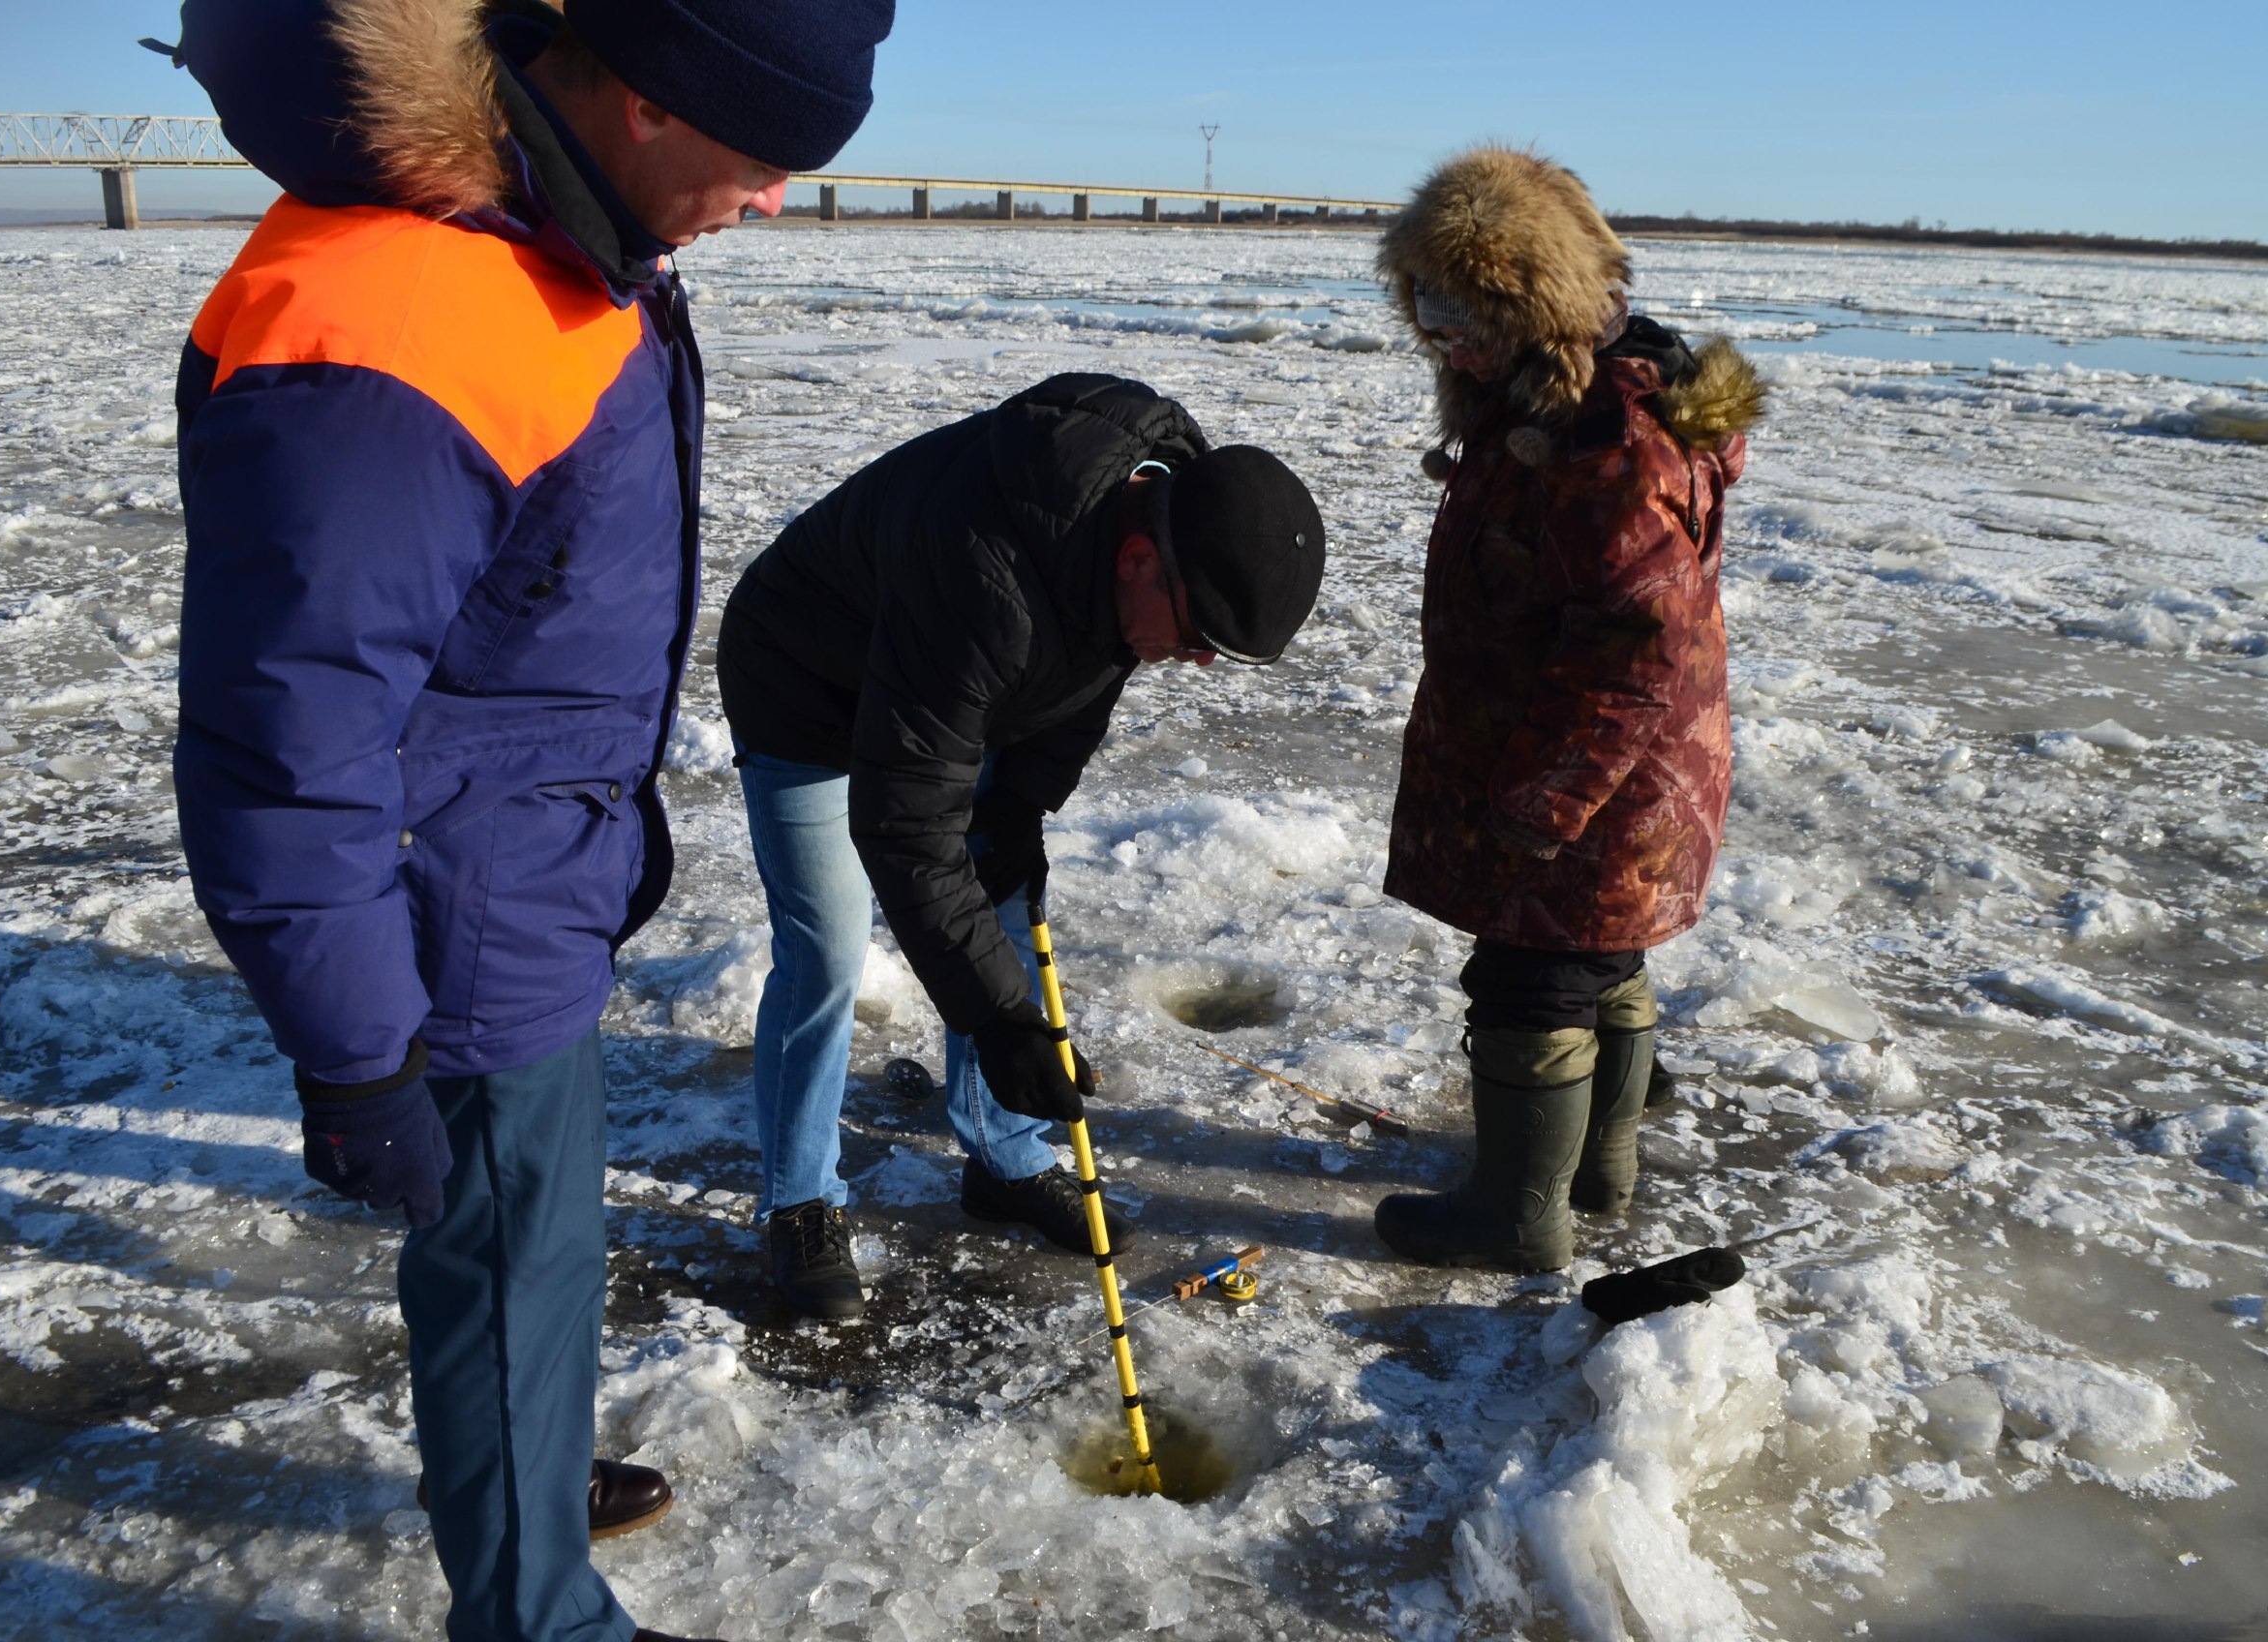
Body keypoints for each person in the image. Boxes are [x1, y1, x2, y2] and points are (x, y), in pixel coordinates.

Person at [169, 1, 890, 1638]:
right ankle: (536, 1609)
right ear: (643, 98)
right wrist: (359, 1052)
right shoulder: (408, 309)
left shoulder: (556, 242)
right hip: (452, 929)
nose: (774, 198)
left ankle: (522, 1483)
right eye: (767, 157)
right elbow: (293, 732)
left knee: (535, 1268)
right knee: (514, 1273)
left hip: (519, 876)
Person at [717, 373, 1328, 1319]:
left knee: (998, 898)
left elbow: (1092, 666)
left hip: (948, 688)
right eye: (1202, 635)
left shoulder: (1166, 504)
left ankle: (1001, 1154)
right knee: (828, 951)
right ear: (1135, 558)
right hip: (804, 687)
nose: (1200, 659)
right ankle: (799, 1201)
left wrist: (1023, 807)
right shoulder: (984, 572)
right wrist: (1004, 1024)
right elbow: (905, 821)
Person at [1369, 146, 1763, 1273]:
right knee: (1606, 957)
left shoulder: (1605, 443)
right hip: (1623, 769)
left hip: (1596, 769)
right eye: (1422, 302)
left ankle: (1515, 1214)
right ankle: (1595, 1165)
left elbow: (1634, 647)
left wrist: (1546, 800)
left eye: (1462, 304)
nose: (1440, 332)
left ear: (1534, 301)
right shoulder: (1545, 403)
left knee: (1530, 975)